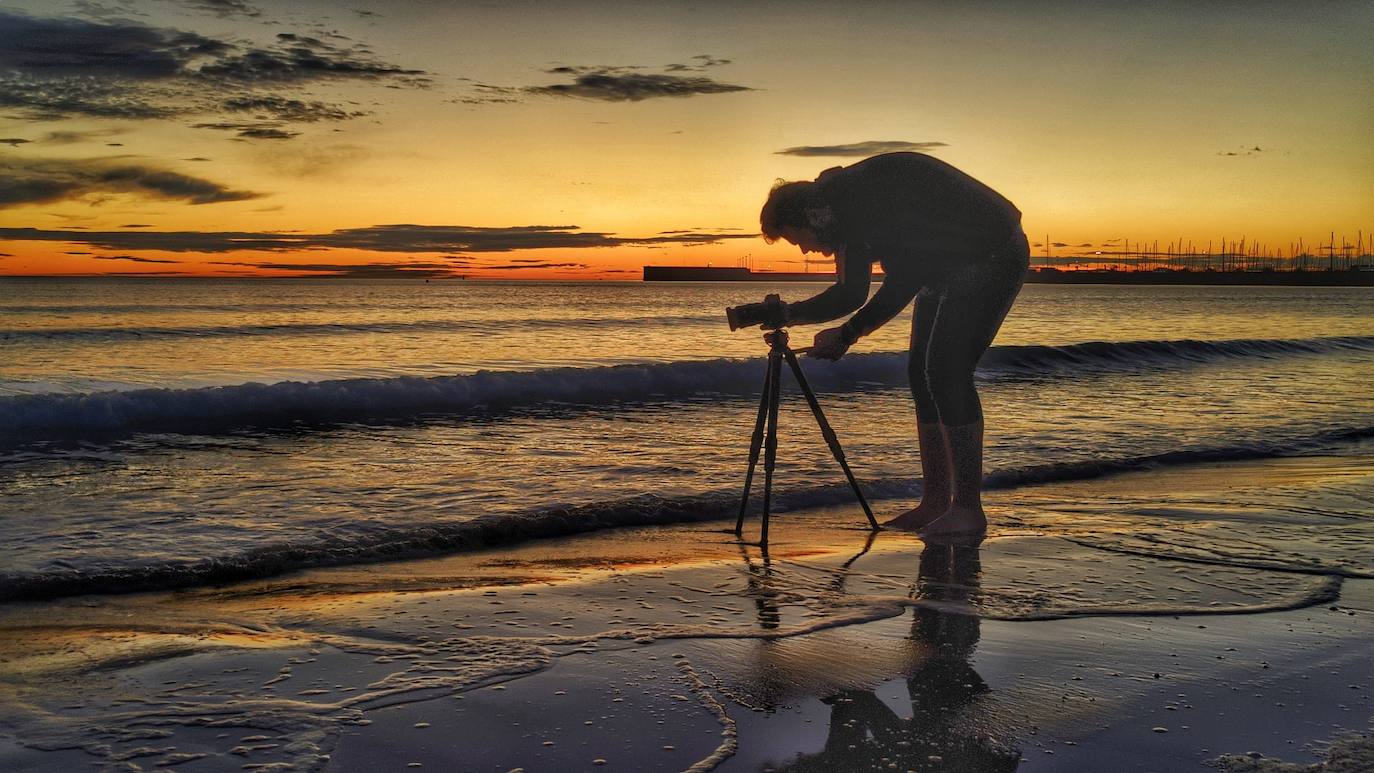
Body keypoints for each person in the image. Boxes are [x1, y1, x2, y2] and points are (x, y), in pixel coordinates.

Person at [754, 152, 1028, 543]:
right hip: (944, 264)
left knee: (947, 371)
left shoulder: (868, 201)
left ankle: (968, 510)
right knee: (921, 373)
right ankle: (935, 502)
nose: (805, 251)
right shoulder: (843, 215)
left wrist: (846, 336)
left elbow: (902, 284)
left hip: (993, 252)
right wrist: (789, 314)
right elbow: (851, 293)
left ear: (814, 215)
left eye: (799, 240)